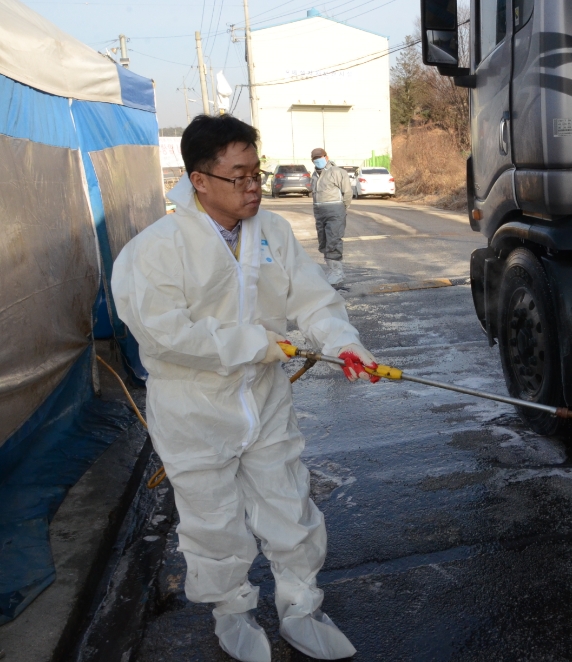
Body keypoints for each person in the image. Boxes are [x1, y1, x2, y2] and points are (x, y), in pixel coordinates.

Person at [112, 114, 379, 662]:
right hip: (193, 407)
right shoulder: (156, 250)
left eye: (256, 173)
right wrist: (256, 343)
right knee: (214, 522)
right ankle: (231, 612)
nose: (254, 186)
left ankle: (301, 607)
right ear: (199, 181)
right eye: (240, 177)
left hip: (263, 397)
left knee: (289, 504)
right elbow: (165, 334)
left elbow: (311, 299)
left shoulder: (273, 233)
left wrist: (341, 341)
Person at [310, 147, 353, 288]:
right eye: (315, 159)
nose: (317, 160)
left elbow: (347, 192)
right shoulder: (314, 175)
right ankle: (332, 270)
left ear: (326, 157)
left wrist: (342, 209)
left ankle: (337, 272)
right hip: (320, 212)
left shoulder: (338, 172)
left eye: (320, 157)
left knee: (333, 240)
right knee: (323, 241)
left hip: (335, 211)